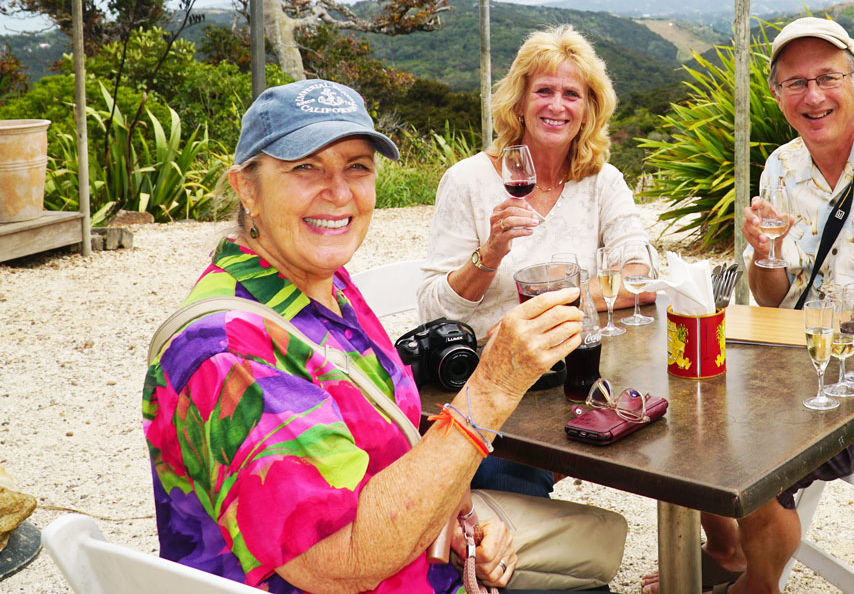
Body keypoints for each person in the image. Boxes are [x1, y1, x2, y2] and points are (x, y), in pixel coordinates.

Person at [144, 79, 625, 593]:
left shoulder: (326, 289)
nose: (338, 191)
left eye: (357, 166)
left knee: (605, 537)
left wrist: (454, 515)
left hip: (421, 543)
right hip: (376, 573)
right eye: (305, 167)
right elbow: (341, 562)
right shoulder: (229, 353)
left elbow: (390, 442)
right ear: (247, 189)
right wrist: (493, 387)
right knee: (593, 563)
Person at [644, 17, 854, 594]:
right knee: (687, 412)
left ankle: (759, 585)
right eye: (795, 83)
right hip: (791, 362)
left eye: (827, 77)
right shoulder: (783, 166)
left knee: (752, 459)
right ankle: (726, 552)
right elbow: (771, 298)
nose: (814, 95)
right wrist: (767, 252)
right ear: (777, 95)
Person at [418, 26, 653, 497]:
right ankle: (543, 564)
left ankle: (715, 555)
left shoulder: (601, 181)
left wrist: (551, 309)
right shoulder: (467, 181)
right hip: (492, 384)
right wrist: (491, 253)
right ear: (520, 101)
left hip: (574, 379)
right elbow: (433, 309)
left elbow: (643, 278)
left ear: (588, 108)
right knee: (509, 477)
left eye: (572, 94)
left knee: (671, 430)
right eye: (543, 91)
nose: (556, 105)